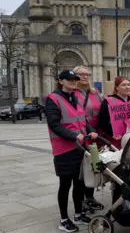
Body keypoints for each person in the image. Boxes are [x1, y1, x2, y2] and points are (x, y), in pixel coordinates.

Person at [45, 70, 98, 232]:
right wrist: (74, 135)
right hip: (64, 150)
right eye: (69, 79)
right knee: (65, 184)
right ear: (60, 81)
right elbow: (55, 125)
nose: (73, 81)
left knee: (80, 183)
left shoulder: (75, 98)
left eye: (75, 79)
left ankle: (78, 213)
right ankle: (63, 219)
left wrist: (91, 130)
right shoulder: (53, 99)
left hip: (80, 148)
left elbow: (83, 120)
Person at [71, 66, 105, 214]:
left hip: (95, 136)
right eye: (81, 74)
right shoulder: (71, 94)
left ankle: (90, 197)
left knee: (93, 168)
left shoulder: (95, 93)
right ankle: (82, 201)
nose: (85, 77)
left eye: (87, 74)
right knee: (82, 171)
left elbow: (103, 111)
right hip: (81, 137)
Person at [97, 76, 130, 149]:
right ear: (117, 87)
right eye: (124, 85)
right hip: (114, 141)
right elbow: (102, 122)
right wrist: (112, 134)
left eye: (128, 85)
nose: (127, 87)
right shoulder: (108, 101)